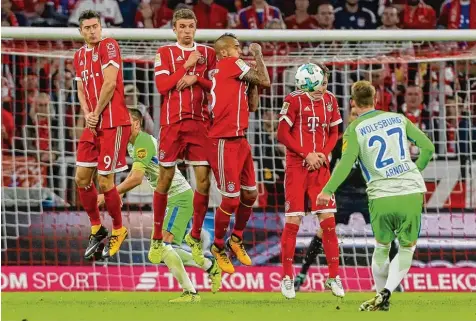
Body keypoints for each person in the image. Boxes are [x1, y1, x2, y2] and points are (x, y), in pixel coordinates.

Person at [317, 81, 435, 311]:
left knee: (381, 247)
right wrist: (415, 170)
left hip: (380, 195)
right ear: (376, 99)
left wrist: (328, 190)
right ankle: (387, 291)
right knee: (406, 248)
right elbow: (428, 147)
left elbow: (345, 164)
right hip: (410, 190)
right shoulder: (398, 118)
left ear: (352, 102)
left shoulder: (354, 130)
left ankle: (382, 299)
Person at [97, 109, 222, 302]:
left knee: (162, 247)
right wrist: (118, 193)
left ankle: (191, 292)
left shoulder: (143, 142)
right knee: (166, 249)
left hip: (179, 197)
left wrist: (108, 195)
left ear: (137, 124)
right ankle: (209, 265)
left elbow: (137, 179)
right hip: (173, 198)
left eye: (126, 122)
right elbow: (134, 175)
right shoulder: (132, 145)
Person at [151, 9, 216, 268]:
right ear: (174, 29)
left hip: (200, 125)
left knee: (203, 181)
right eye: (182, 26)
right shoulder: (164, 53)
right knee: (165, 179)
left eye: (190, 26)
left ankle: (196, 235)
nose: (187, 31)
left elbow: (217, 85)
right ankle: (157, 236)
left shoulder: (209, 54)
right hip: (172, 126)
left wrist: (197, 78)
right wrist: (186, 67)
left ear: (196, 27)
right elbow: (163, 86)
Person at [277, 63, 344, 300]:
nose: (321, 88)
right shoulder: (293, 100)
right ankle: (286, 278)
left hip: (321, 168)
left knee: (328, 222)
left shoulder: (331, 100)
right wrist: (307, 154)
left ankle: (334, 277)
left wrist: (323, 154)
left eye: (325, 83)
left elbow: (335, 133)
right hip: (297, 167)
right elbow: (282, 134)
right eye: (317, 83)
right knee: (293, 220)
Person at [207, 33, 270, 274]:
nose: (240, 50)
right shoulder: (231, 64)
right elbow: (265, 80)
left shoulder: (234, 74)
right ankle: (218, 246)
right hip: (223, 141)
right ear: (224, 52)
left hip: (240, 139)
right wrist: (257, 54)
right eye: (236, 47)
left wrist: (251, 79)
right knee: (231, 200)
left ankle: (236, 238)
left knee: (251, 194)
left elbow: (253, 106)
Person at [73, 10, 131, 259]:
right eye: (87, 28)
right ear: (81, 31)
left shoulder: (109, 45)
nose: (92, 31)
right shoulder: (78, 56)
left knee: (105, 182)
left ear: (101, 26)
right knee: (81, 178)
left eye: (95, 26)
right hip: (93, 123)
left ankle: (119, 228)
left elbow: (109, 83)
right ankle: (97, 227)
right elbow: (80, 89)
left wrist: (95, 113)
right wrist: (87, 114)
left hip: (113, 122)